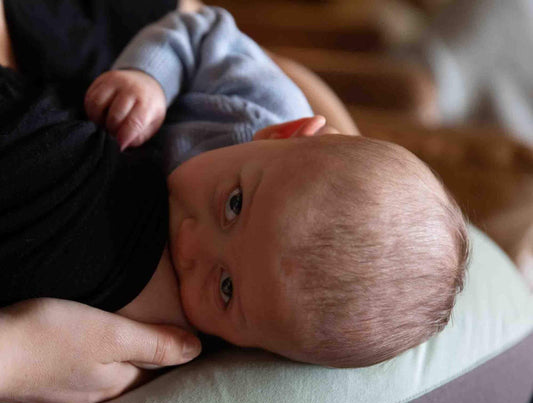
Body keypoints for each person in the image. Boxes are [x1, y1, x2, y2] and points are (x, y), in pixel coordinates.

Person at [1, 5, 469, 381]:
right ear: (281, 135)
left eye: (226, 288)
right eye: (233, 205)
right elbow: (202, 29)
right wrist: (150, 79)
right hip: (134, 85)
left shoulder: (235, 314)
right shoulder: (255, 102)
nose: (189, 243)